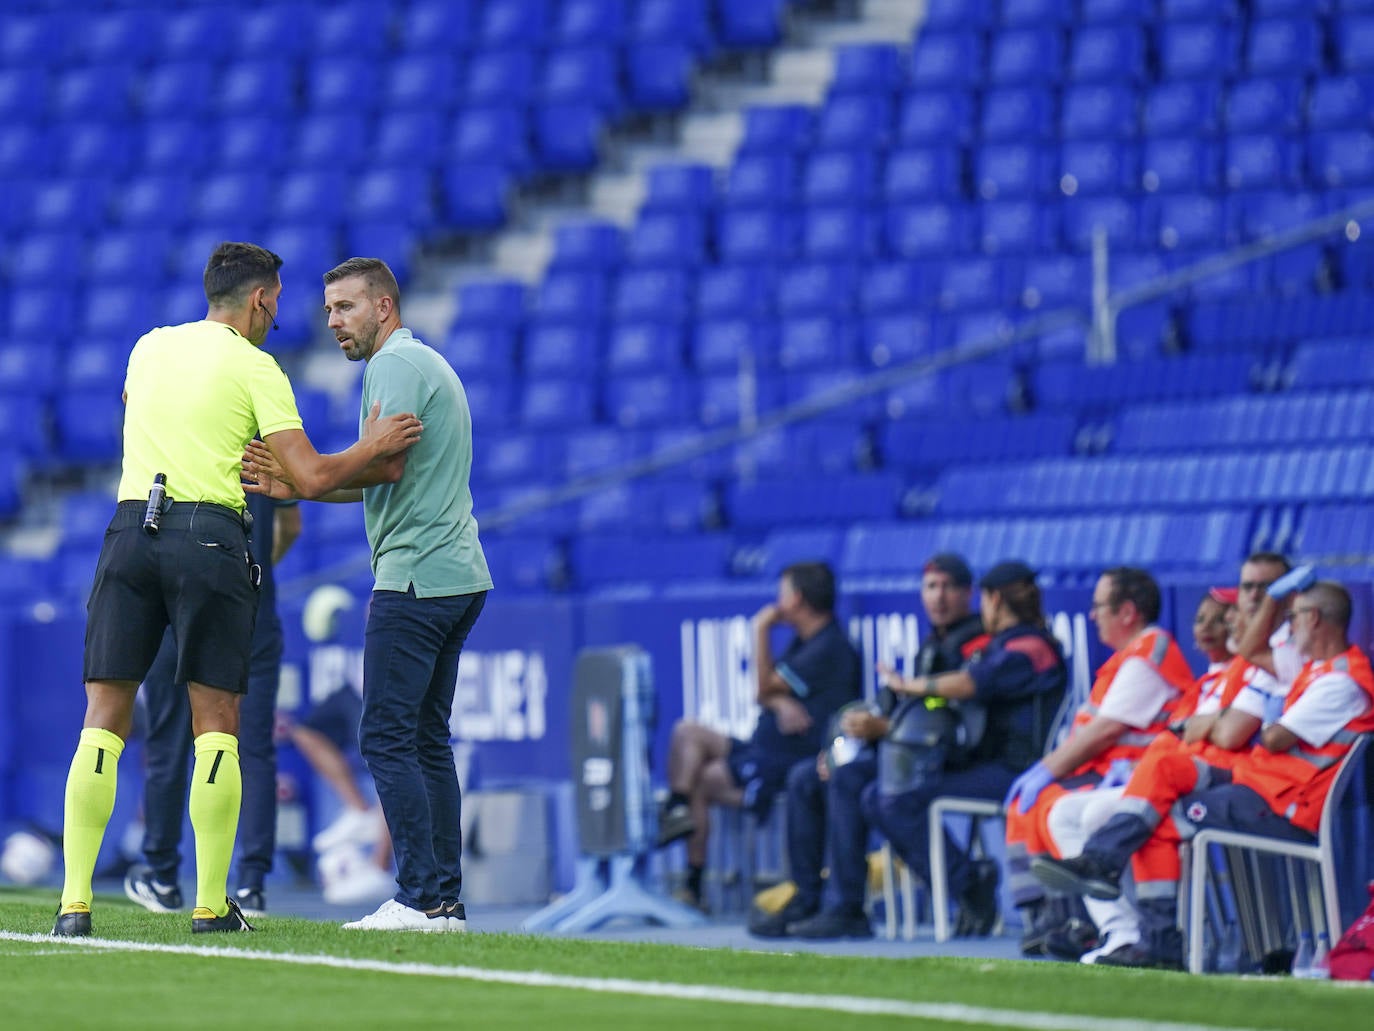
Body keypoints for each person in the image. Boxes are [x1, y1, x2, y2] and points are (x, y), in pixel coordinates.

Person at [52, 241, 423, 938]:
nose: (274, 320)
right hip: (208, 536)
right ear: (259, 300)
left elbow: (135, 402)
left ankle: (73, 905)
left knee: (102, 718)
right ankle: (212, 903)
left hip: (130, 531)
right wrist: (372, 448)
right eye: (276, 307)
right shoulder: (258, 368)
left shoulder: (149, 347)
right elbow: (309, 479)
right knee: (215, 723)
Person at [244, 257, 492, 933]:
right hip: (456, 572)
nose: (332, 322)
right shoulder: (423, 362)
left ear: (384, 307)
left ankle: (419, 896)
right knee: (425, 739)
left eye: (345, 307)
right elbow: (386, 473)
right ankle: (444, 902)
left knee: (385, 736)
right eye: (327, 310)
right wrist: (309, 485)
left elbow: (384, 461)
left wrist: (307, 477)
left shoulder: (393, 367)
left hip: (414, 575)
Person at [1033, 581, 1374, 970]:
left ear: (1313, 619)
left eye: (1292, 618)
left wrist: (1257, 712)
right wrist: (1275, 601)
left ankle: (1155, 936)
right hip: (1256, 784)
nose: (1287, 629)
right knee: (1162, 765)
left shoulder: (1340, 681)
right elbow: (1248, 656)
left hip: (1285, 805)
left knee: (1160, 819)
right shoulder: (1313, 669)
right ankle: (1107, 870)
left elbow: (1273, 737)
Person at [748, 552, 992, 939]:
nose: (939, 597)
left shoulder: (977, 646)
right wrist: (840, 749)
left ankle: (849, 906)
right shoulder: (932, 646)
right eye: (931, 587)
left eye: (949, 587)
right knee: (806, 777)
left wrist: (884, 729)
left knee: (853, 784)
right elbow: (899, 711)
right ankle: (808, 896)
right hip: (911, 755)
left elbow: (950, 723)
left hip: (949, 760)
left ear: (969, 594)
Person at [1041, 586, 1247, 963]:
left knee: (1098, 815)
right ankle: (1120, 932)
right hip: (1170, 778)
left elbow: (1223, 734)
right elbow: (1181, 734)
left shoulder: (1248, 673)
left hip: (1215, 782)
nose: (1213, 628)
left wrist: (1203, 727)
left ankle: (1106, 873)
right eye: (1202, 619)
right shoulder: (1206, 683)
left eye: (1225, 618)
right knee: (1064, 813)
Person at [1002, 566, 1196, 956]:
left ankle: (1083, 923)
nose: (1092, 616)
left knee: (1051, 805)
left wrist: (1045, 770)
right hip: (1123, 775)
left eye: (1099, 607)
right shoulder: (1130, 656)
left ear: (1127, 612)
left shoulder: (1147, 655)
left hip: (1137, 777)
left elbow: (1105, 731)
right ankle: (1065, 919)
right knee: (1043, 808)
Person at [123, 495, 300, 918]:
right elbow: (291, 526)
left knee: (169, 744)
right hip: (254, 611)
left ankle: (163, 876)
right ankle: (253, 884)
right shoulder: (268, 442)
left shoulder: (184, 437)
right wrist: (252, 571)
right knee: (252, 748)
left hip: (182, 606)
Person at [656, 561, 862, 912]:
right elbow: (767, 693)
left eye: (781, 594)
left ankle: (692, 882)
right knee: (687, 732)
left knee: (704, 780)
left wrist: (760, 628)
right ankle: (677, 810)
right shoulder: (804, 642)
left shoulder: (829, 647)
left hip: (789, 761)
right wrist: (781, 704)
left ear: (796, 599)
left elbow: (761, 687)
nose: (776, 602)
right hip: (762, 747)